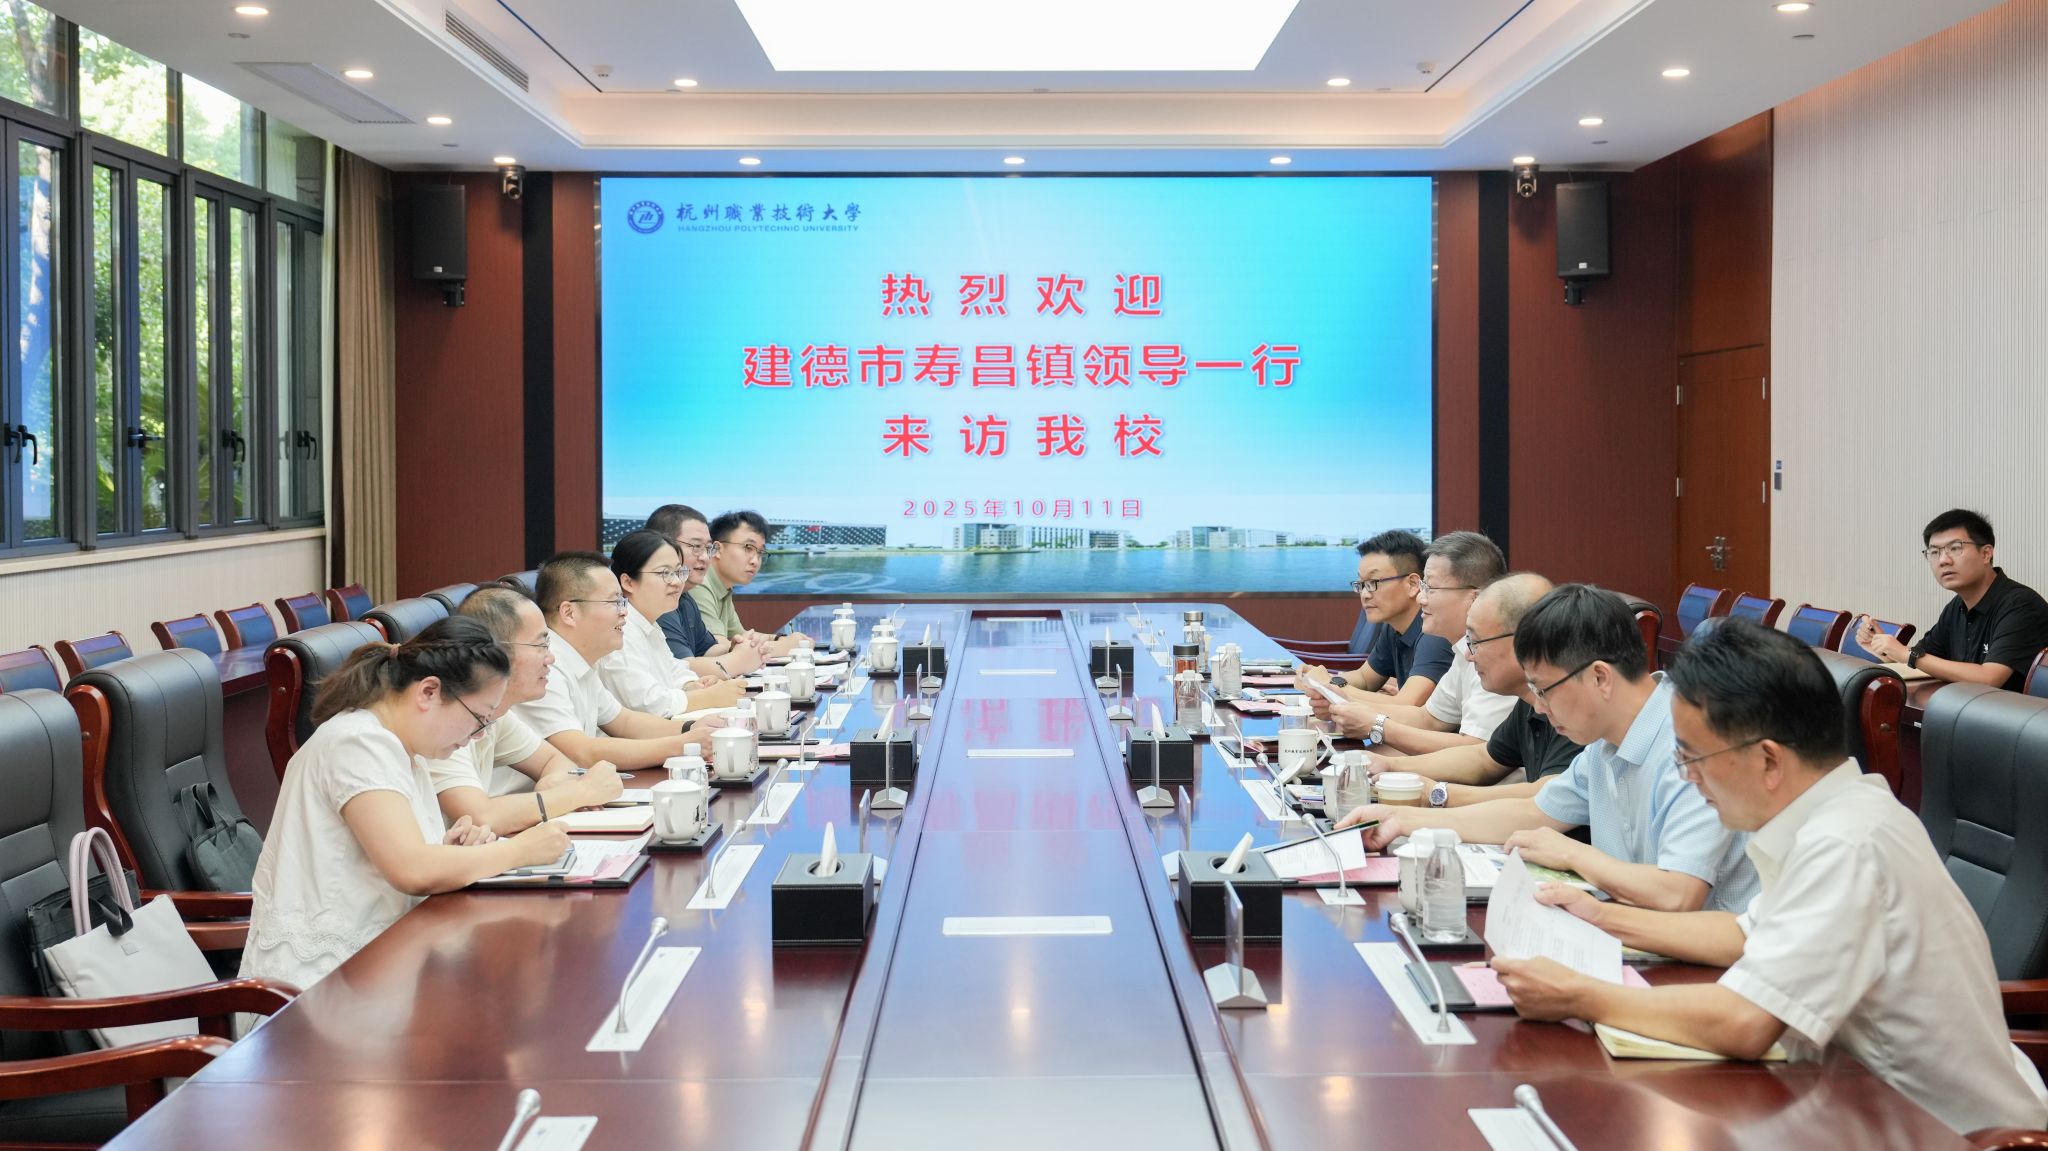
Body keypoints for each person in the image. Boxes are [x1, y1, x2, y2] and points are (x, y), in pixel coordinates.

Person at [1492, 618, 2048, 1137]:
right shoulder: (1829, 815)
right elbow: (1743, 933)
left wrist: (1577, 995)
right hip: (1851, 1099)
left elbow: (1745, 1022)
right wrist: (1599, 916)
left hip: (1948, 1134)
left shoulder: (1846, 843)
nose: (1688, 777)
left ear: (1768, 760)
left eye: (1693, 757)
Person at [1337, 583, 1758, 913]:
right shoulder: (1604, 744)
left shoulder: (1691, 742)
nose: (1538, 706)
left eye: (1544, 689)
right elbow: (1534, 812)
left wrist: (1574, 854)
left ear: (1600, 677)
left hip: (1712, 966)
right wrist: (1400, 818)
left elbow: (1677, 894)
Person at [241, 618, 571, 991]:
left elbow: (393, 861)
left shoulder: (401, 748)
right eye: (479, 719)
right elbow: (411, 869)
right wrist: (519, 851)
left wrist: (450, 854)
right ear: (429, 691)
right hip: (321, 988)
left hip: (382, 963)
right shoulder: (358, 743)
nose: (476, 737)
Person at [1355, 574, 1583, 808]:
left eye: (1476, 642)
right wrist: (1390, 766)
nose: (1468, 654)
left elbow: (1550, 795)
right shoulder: (1530, 700)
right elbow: (1484, 758)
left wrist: (1437, 793)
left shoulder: (1574, 703)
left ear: (1523, 641)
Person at [420, 587, 624, 835]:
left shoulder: (496, 713)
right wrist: (582, 791)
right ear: (495, 650)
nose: (551, 658)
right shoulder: (445, 715)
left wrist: (553, 786)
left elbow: (554, 761)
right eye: (540, 645)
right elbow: (481, 816)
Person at [511, 551, 726, 770]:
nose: (625, 612)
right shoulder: (544, 665)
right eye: (614, 602)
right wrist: (683, 744)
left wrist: (691, 728)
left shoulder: (579, 659)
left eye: (622, 602)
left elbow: (624, 722)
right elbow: (581, 753)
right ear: (569, 612)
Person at [1319, 531, 1515, 752]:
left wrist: (1373, 722)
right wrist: (1345, 702)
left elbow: (1480, 753)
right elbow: (1427, 718)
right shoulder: (1464, 650)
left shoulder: (1497, 654)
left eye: (1430, 588)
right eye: (1424, 587)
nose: (1421, 598)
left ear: (1475, 597)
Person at [1855, 508, 2048, 692]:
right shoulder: (1957, 606)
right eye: (1934, 552)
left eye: (1955, 548)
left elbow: (1989, 679)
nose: (1943, 560)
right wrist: (1884, 649)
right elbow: (1926, 659)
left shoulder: (2020, 605)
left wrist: (1907, 655)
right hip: (1969, 708)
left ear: (1986, 554)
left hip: (2018, 714)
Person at [1302, 529, 1455, 712]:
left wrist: (1328, 686)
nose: (1365, 594)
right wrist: (1322, 680)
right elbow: (1365, 679)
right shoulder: (1393, 627)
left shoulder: (1435, 632)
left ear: (1413, 584)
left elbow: (1407, 705)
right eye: (1361, 584)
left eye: (1373, 582)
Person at [603, 529, 748, 718]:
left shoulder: (649, 623)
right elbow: (648, 703)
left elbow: (673, 669)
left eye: (679, 572)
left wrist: (693, 685)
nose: (677, 582)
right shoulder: (619, 630)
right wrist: (710, 697)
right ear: (628, 582)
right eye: (664, 573)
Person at [645, 503, 764, 679]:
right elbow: (682, 667)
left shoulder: (685, 597)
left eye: (708, 548)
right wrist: (742, 659)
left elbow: (707, 650)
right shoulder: (655, 598)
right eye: (696, 546)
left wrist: (737, 647)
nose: (705, 557)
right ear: (662, 546)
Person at [688, 510, 801, 657]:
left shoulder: (723, 587)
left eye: (760, 552)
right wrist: (789, 646)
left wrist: (782, 639)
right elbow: (720, 648)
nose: (755, 561)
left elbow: (741, 637)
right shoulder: (699, 583)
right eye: (748, 548)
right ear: (717, 549)